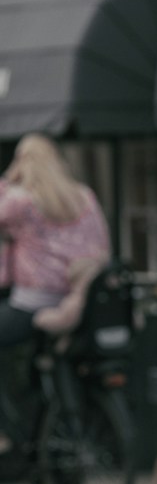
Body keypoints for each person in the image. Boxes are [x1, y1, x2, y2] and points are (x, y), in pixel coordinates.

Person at [0, 135, 110, 363]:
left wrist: (9, 178)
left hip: (34, 302)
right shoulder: (84, 196)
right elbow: (103, 244)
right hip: (83, 299)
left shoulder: (21, 200)